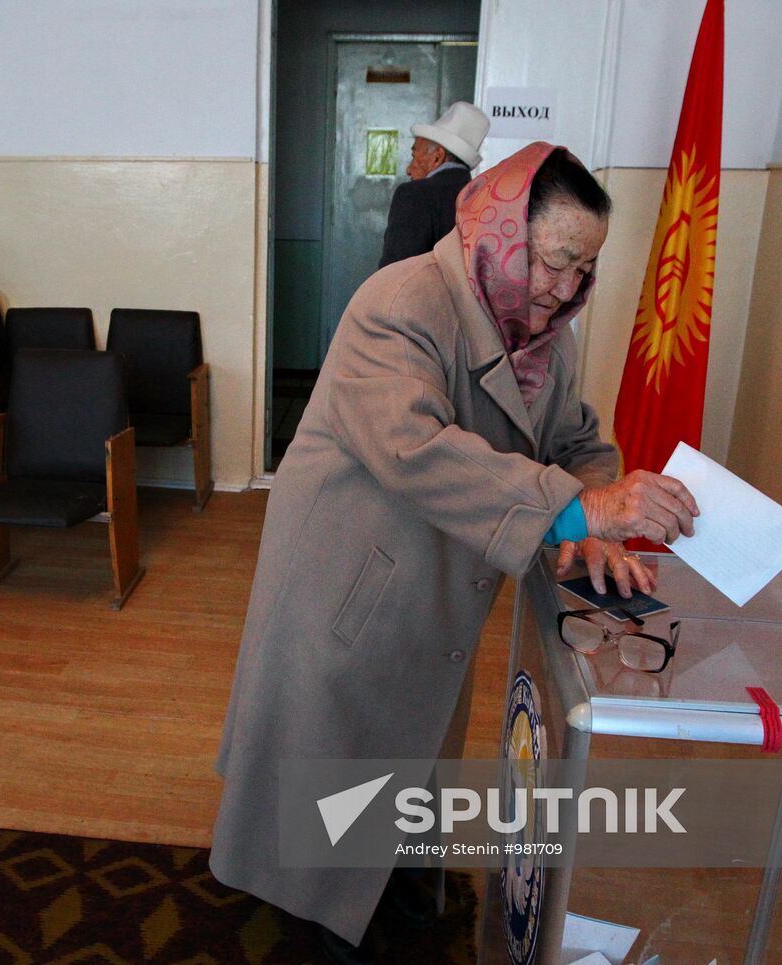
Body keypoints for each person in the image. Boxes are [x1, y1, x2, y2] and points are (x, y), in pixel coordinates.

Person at [210, 143, 700, 963]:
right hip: (352, 584)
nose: (567, 289)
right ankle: (323, 925)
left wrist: (591, 522)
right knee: (332, 781)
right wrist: (575, 507)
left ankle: (395, 898)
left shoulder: (547, 334)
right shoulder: (401, 300)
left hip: (432, 591)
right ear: (502, 232)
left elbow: (576, 439)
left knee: (404, 763)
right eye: (554, 262)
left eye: (586, 268)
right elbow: (415, 447)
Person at [378, 101, 490, 269]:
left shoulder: (413, 195)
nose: (409, 169)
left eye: (414, 155)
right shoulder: (484, 197)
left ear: (437, 157)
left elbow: (394, 273)